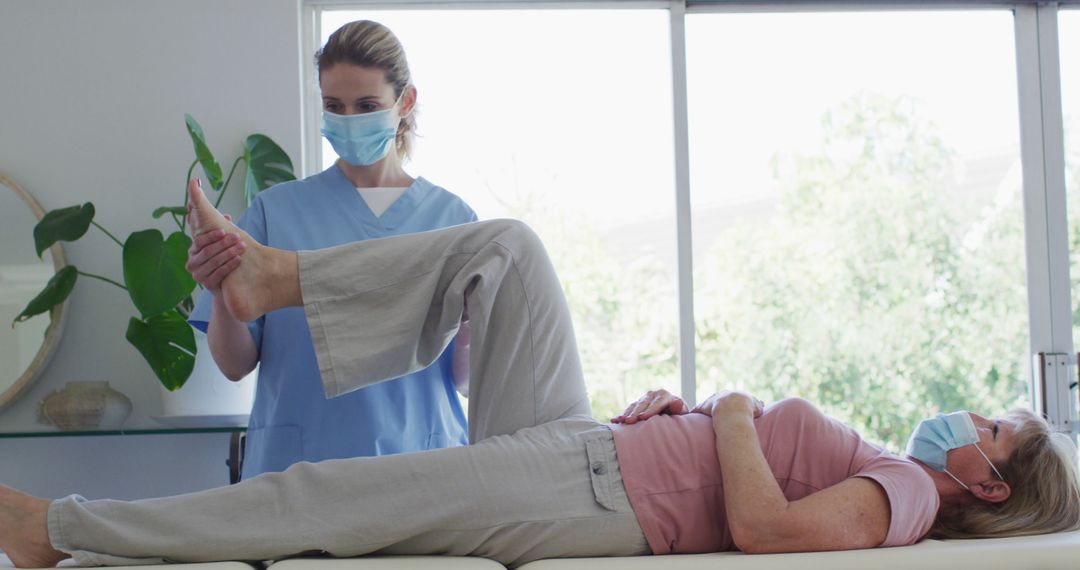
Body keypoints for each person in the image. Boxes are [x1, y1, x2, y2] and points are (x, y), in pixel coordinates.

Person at [1, 186, 1077, 568]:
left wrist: (735, 410)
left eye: (994, 426)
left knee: (320, 497)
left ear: (987, 482)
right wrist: (691, 414)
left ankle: (65, 529)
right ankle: (275, 280)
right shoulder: (903, 473)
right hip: (600, 448)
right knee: (502, 247)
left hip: (599, 496)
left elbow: (764, 530)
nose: (968, 416)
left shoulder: (904, 495)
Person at [186, 20, 476, 478]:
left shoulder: (454, 222)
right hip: (299, 465)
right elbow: (234, 365)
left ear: (405, 102)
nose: (349, 119)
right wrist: (221, 287)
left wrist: (470, 320)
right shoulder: (274, 213)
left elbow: (463, 379)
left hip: (422, 464)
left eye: (366, 106)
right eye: (333, 106)